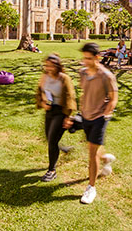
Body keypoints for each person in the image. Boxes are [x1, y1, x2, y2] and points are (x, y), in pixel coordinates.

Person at [64, 42, 118, 205]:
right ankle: (106, 160)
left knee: (91, 153)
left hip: (99, 119)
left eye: (89, 58)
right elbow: (85, 94)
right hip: (85, 116)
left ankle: (91, 188)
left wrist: (106, 112)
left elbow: (113, 98)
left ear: (97, 57)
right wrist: (75, 115)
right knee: (91, 147)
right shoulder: (83, 73)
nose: (85, 61)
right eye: (84, 58)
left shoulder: (107, 76)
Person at [35, 54, 77, 182]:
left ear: (57, 66)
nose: (48, 68)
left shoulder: (64, 78)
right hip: (50, 110)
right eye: (46, 65)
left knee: (52, 141)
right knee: (49, 138)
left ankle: (51, 170)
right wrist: (42, 102)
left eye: (51, 66)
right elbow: (40, 90)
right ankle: (63, 149)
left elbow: (70, 97)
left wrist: (67, 116)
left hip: (61, 111)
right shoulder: (45, 77)